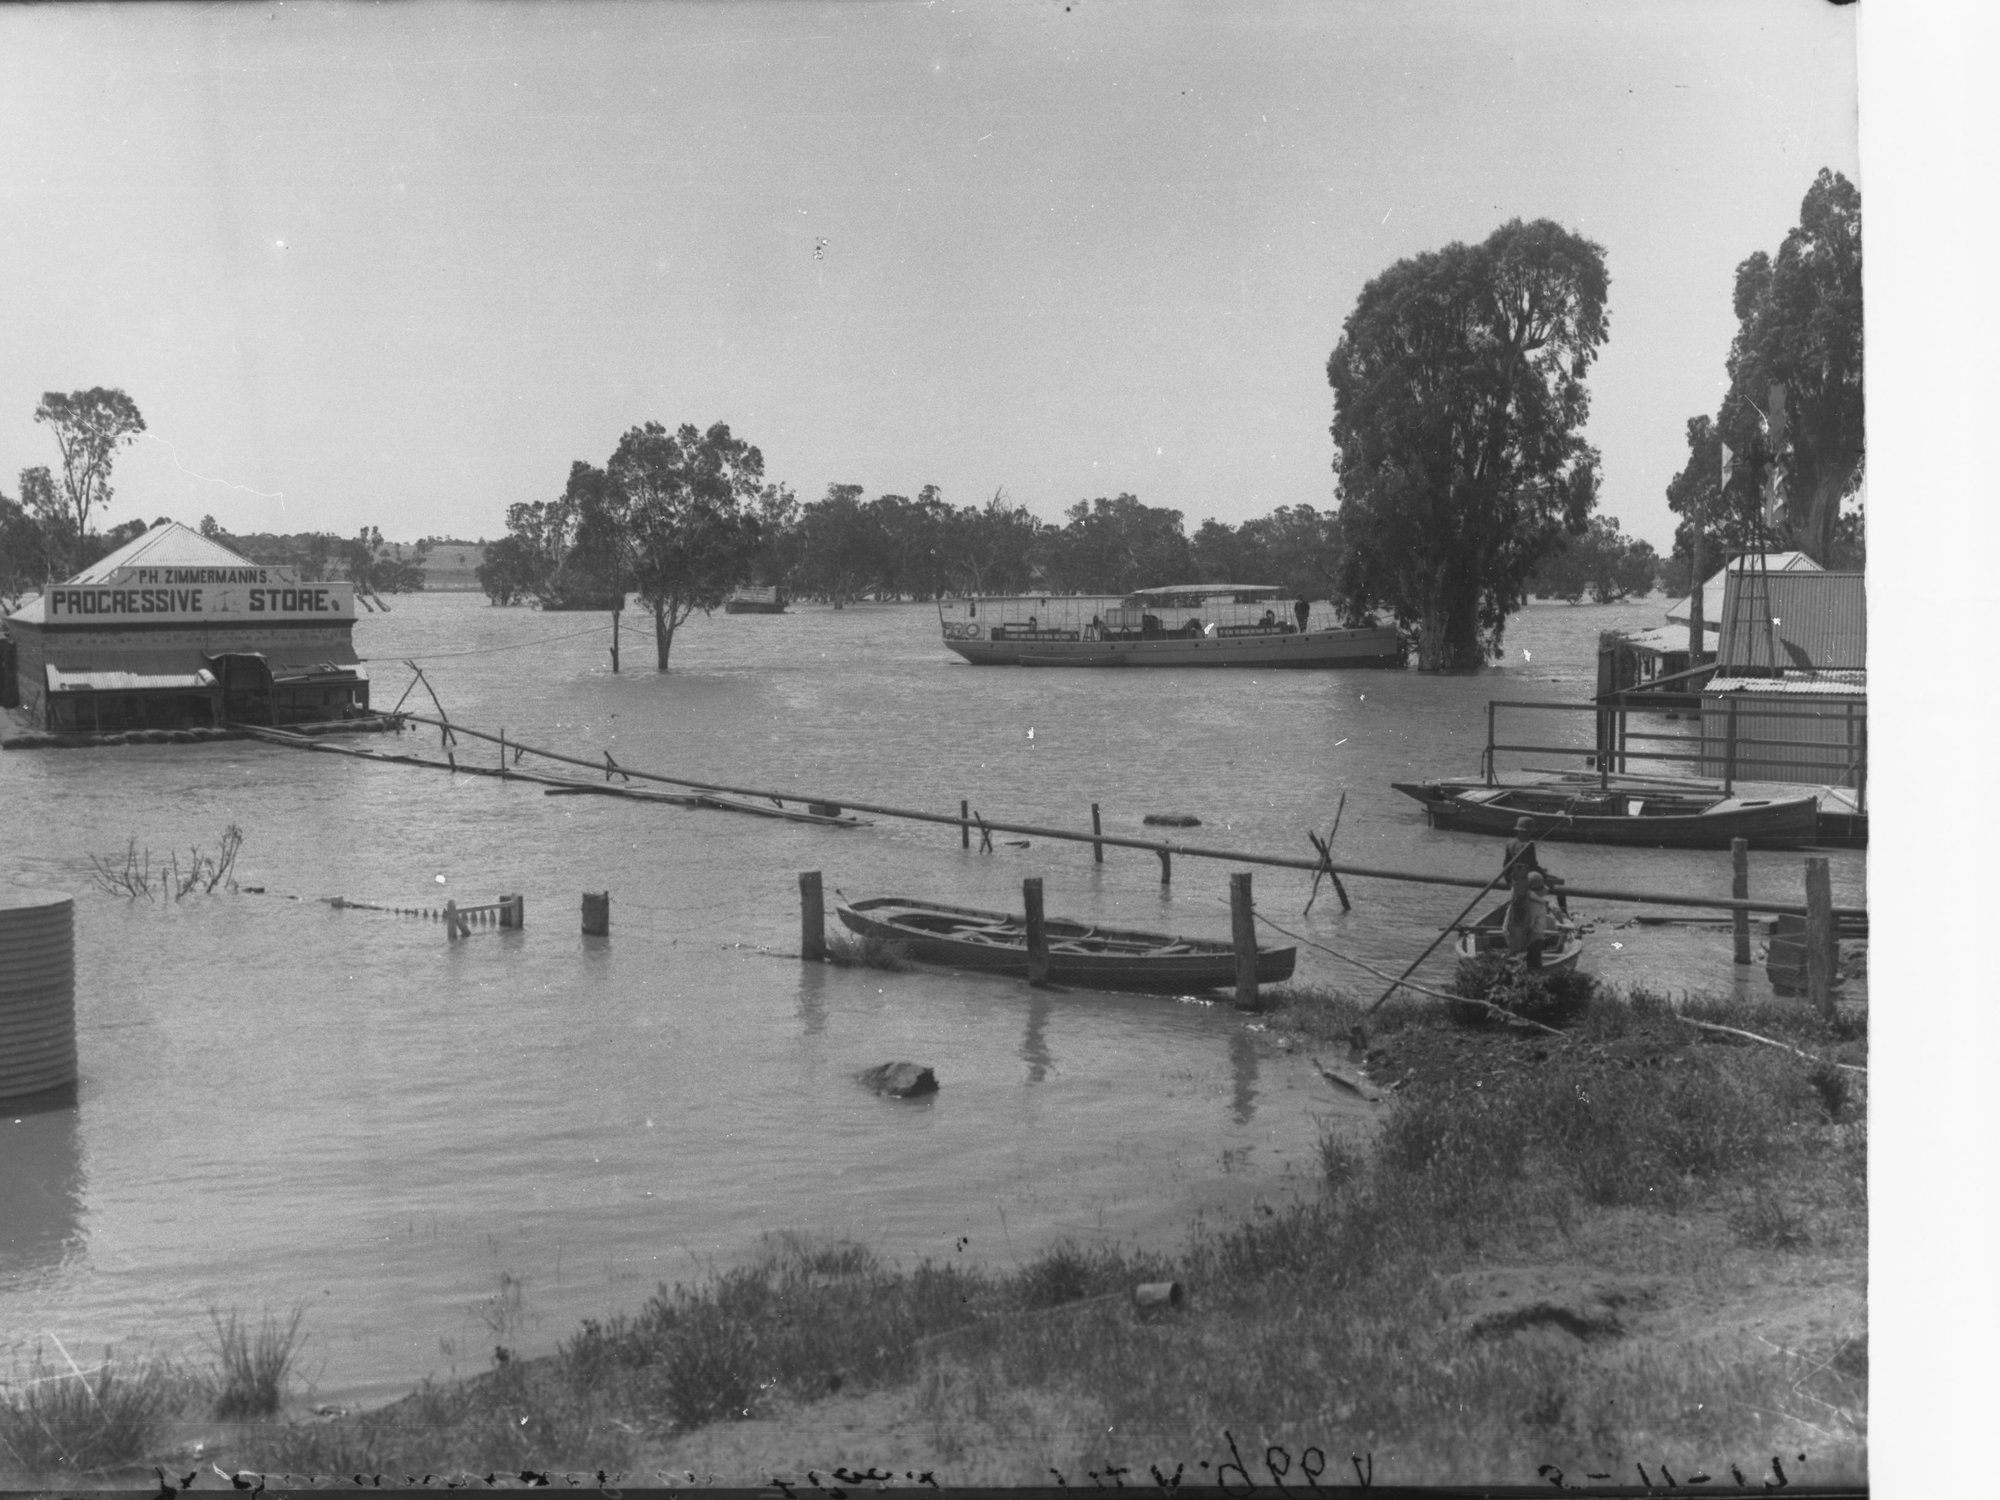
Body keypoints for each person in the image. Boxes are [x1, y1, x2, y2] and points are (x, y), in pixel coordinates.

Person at [1502, 816, 1569, 913]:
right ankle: (1564, 912)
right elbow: (1533, 866)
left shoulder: (1510, 843)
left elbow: (1506, 865)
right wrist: (1545, 875)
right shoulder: (1529, 845)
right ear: (1529, 831)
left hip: (1514, 877)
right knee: (1560, 885)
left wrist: (1509, 880)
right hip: (1526, 878)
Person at [1504, 872, 1554, 968]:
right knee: (1534, 968)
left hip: (1512, 936)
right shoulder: (1538, 905)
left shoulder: (1515, 901)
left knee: (1514, 961)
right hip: (1532, 941)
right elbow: (1534, 929)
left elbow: (1506, 927)